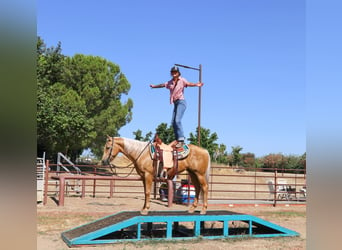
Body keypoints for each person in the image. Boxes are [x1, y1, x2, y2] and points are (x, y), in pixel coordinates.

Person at [150, 66, 204, 148]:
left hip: (181, 102)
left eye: (175, 72)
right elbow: (162, 85)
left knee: (177, 120)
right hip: (175, 103)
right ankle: (177, 139)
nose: (174, 74)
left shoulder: (182, 80)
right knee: (173, 122)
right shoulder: (170, 82)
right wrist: (154, 86)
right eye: (172, 72)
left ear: (178, 73)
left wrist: (197, 84)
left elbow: (189, 84)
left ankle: (181, 140)